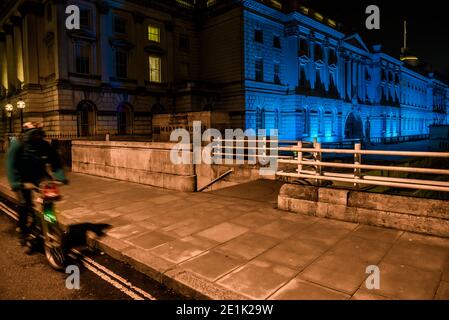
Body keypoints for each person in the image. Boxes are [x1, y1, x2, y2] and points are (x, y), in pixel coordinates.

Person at [5, 122, 68, 246]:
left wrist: (60, 177)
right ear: (26, 133)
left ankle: (50, 224)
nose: (37, 137)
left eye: (39, 134)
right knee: (24, 203)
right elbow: (10, 166)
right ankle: (23, 230)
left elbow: (55, 161)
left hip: (39, 175)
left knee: (49, 200)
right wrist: (17, 184)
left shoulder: (44, 145)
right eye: (34, 134)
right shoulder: (17, 145)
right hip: (22, 178)